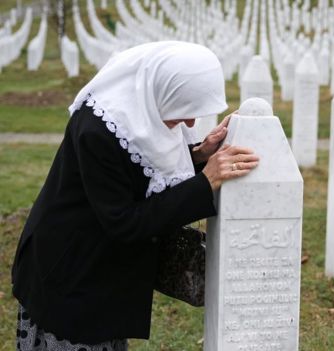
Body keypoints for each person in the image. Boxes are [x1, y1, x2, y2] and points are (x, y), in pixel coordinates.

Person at [11, 41, 259, 350]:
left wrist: (197, 155)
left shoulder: (143, 109)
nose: (191, 124)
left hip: (102, 270)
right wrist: (205, 183)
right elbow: (125, 221)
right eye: (184, 111)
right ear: (163, 89)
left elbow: (148, 168)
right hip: (70, 271)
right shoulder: (97, 130)